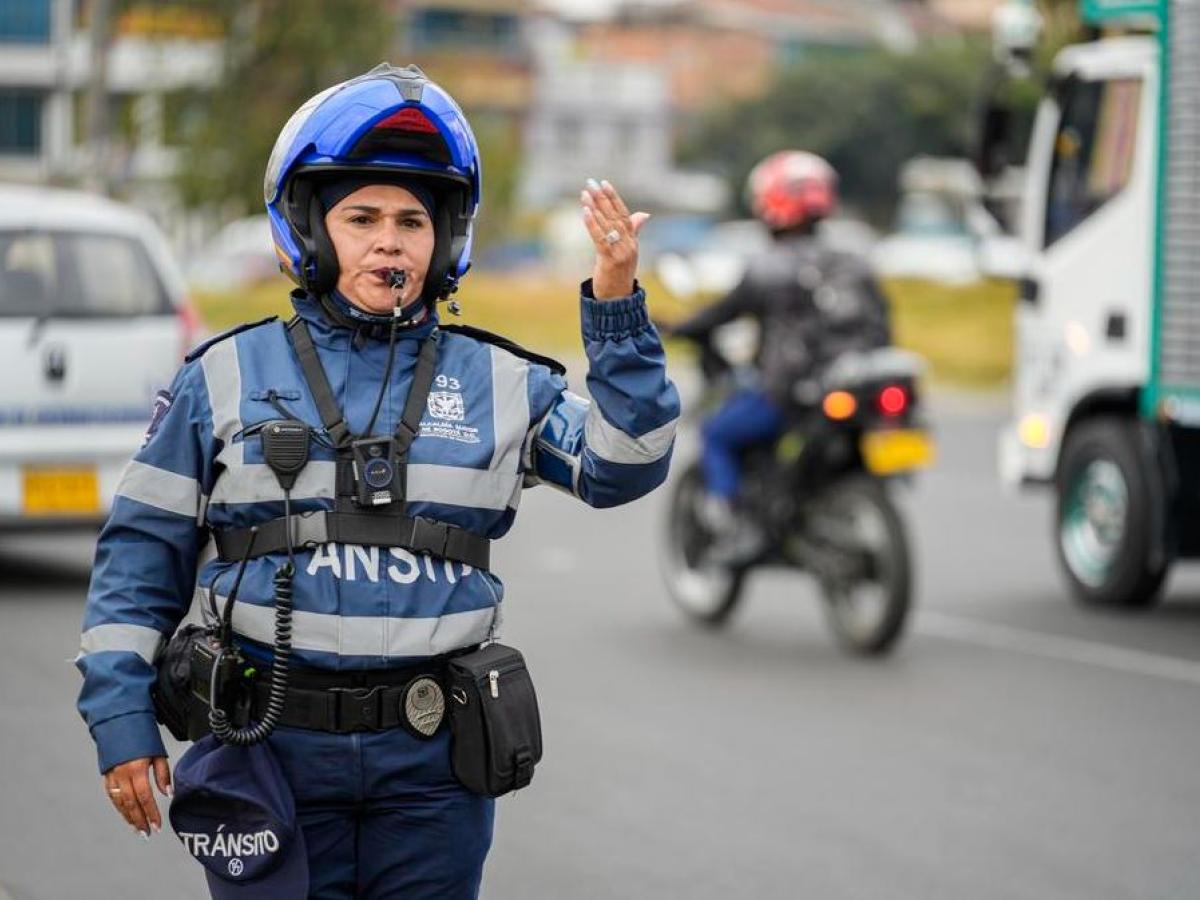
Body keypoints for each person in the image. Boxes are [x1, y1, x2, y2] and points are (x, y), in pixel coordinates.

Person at [75, 63, 679, 899]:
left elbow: (629, 463)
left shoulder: (501, 381)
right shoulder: (221, 376)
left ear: (447, 241)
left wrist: (616, 306)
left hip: (435, 766)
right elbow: (138, 564)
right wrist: (120, 720)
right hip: (266, 750)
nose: (390, 241)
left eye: (412, 220)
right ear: (308, 229)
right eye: (361, 217)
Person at [664, 151, 890, 552]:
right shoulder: (855, 262)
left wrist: (672, 325)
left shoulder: (768, 267)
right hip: (861, 383)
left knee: (715, 432)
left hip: (793, 391)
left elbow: (719, 314)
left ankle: (735, 525)